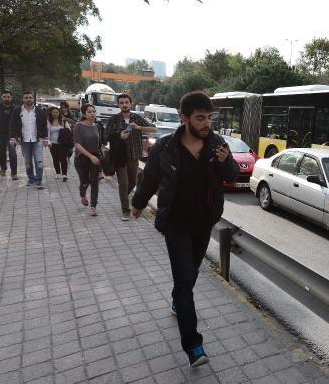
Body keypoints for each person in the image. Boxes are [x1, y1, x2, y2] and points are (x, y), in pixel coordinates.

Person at [132, 91, 239, 367]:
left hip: (203, 224)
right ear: (185, 119)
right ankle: (194, 347)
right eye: (200, 118)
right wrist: (138, 202)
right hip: (176, 225)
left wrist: (227, 161)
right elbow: (151, 177)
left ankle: (178, 300)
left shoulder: (217, 144)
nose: (207, 124)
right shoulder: (166, 147)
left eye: (209, 118)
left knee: (190, 275)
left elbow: (232, 176)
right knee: (184, 283)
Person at [106, 93, 156, 221]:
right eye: (121, 103)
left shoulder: (136, 117)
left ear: (130, 103)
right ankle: (125, 209)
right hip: (120, 156)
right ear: (118, 105)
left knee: (133, 182)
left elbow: (153, 129)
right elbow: (107, 135)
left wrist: (138, 127)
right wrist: (119, 136)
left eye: (126, 102)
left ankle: (123, 197)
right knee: (123, 183)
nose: (124, 105)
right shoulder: (114, 119)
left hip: (134, 155)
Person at [9, 91, 48, 188]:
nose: (28, 99)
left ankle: (38, 180)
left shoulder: (39, 111)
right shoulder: (17, 111)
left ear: (33, 99)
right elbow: (12, 125)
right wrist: (13, 138)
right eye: (26, 97)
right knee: (27, 161)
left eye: (30, 97)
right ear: (23, 99)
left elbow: (44, 125)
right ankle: (31, 178)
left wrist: (46, 138)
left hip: (37, 140)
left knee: (39, 160)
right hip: (24, 140)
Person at [73, 104, 101, 216]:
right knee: (85, 182)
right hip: (82, 158)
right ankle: (83, 195)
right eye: (89, 112)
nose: (92, 113)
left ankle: (93, 207)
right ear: (84, 114)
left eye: (94, 111)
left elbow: (99, 144)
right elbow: (77, 144)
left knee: (95, 182)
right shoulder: (78, 126)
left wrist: (98, 158)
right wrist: (90, 156)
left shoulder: (97, 126)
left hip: (95, 157)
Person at [47, 106, 71, 181]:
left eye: (57, 112)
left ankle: (64, 174)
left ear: (59, 113)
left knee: (63, 158)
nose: (55, 113)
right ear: (51, 113)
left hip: (63, 143)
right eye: (53, 112)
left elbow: (69, 131)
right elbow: (47, 133)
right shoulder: (48, 121)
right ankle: (58, 173)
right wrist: (48, 142)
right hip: (53, 143)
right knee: (55, 159)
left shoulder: (63, 121)